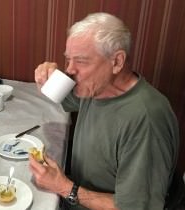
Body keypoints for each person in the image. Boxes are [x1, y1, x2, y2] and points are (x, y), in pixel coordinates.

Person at [30, 12, 179, 210]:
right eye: (68, 60)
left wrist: (64, 187)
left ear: (116, 62)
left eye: (81, 61)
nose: (70, 70)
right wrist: (45, 76)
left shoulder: (147, 120)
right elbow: (58, 95)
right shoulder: (95, 88)